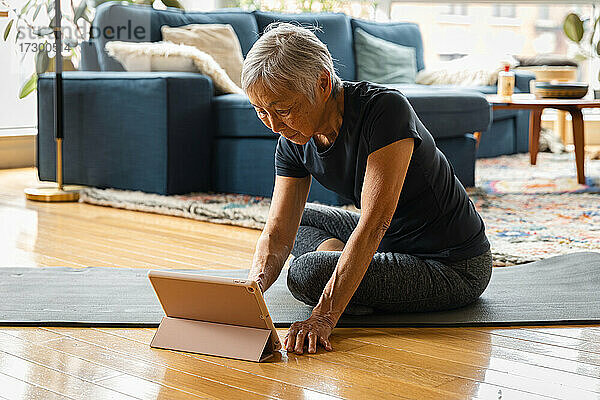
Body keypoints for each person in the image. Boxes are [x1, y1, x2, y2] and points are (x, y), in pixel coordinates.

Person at [244, 23, 492, 356]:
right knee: (303, 220)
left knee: (305, 274)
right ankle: (354, 274)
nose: (275, 125)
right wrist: (250, 292)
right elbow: (277, 235)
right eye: (262, 111)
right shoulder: (292, 139)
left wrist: (323, 316)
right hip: (388, 246)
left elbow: (374, 223)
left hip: (450, 264)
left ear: (322, 83)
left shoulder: (384, 110)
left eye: (283, 109)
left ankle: (346, 275)